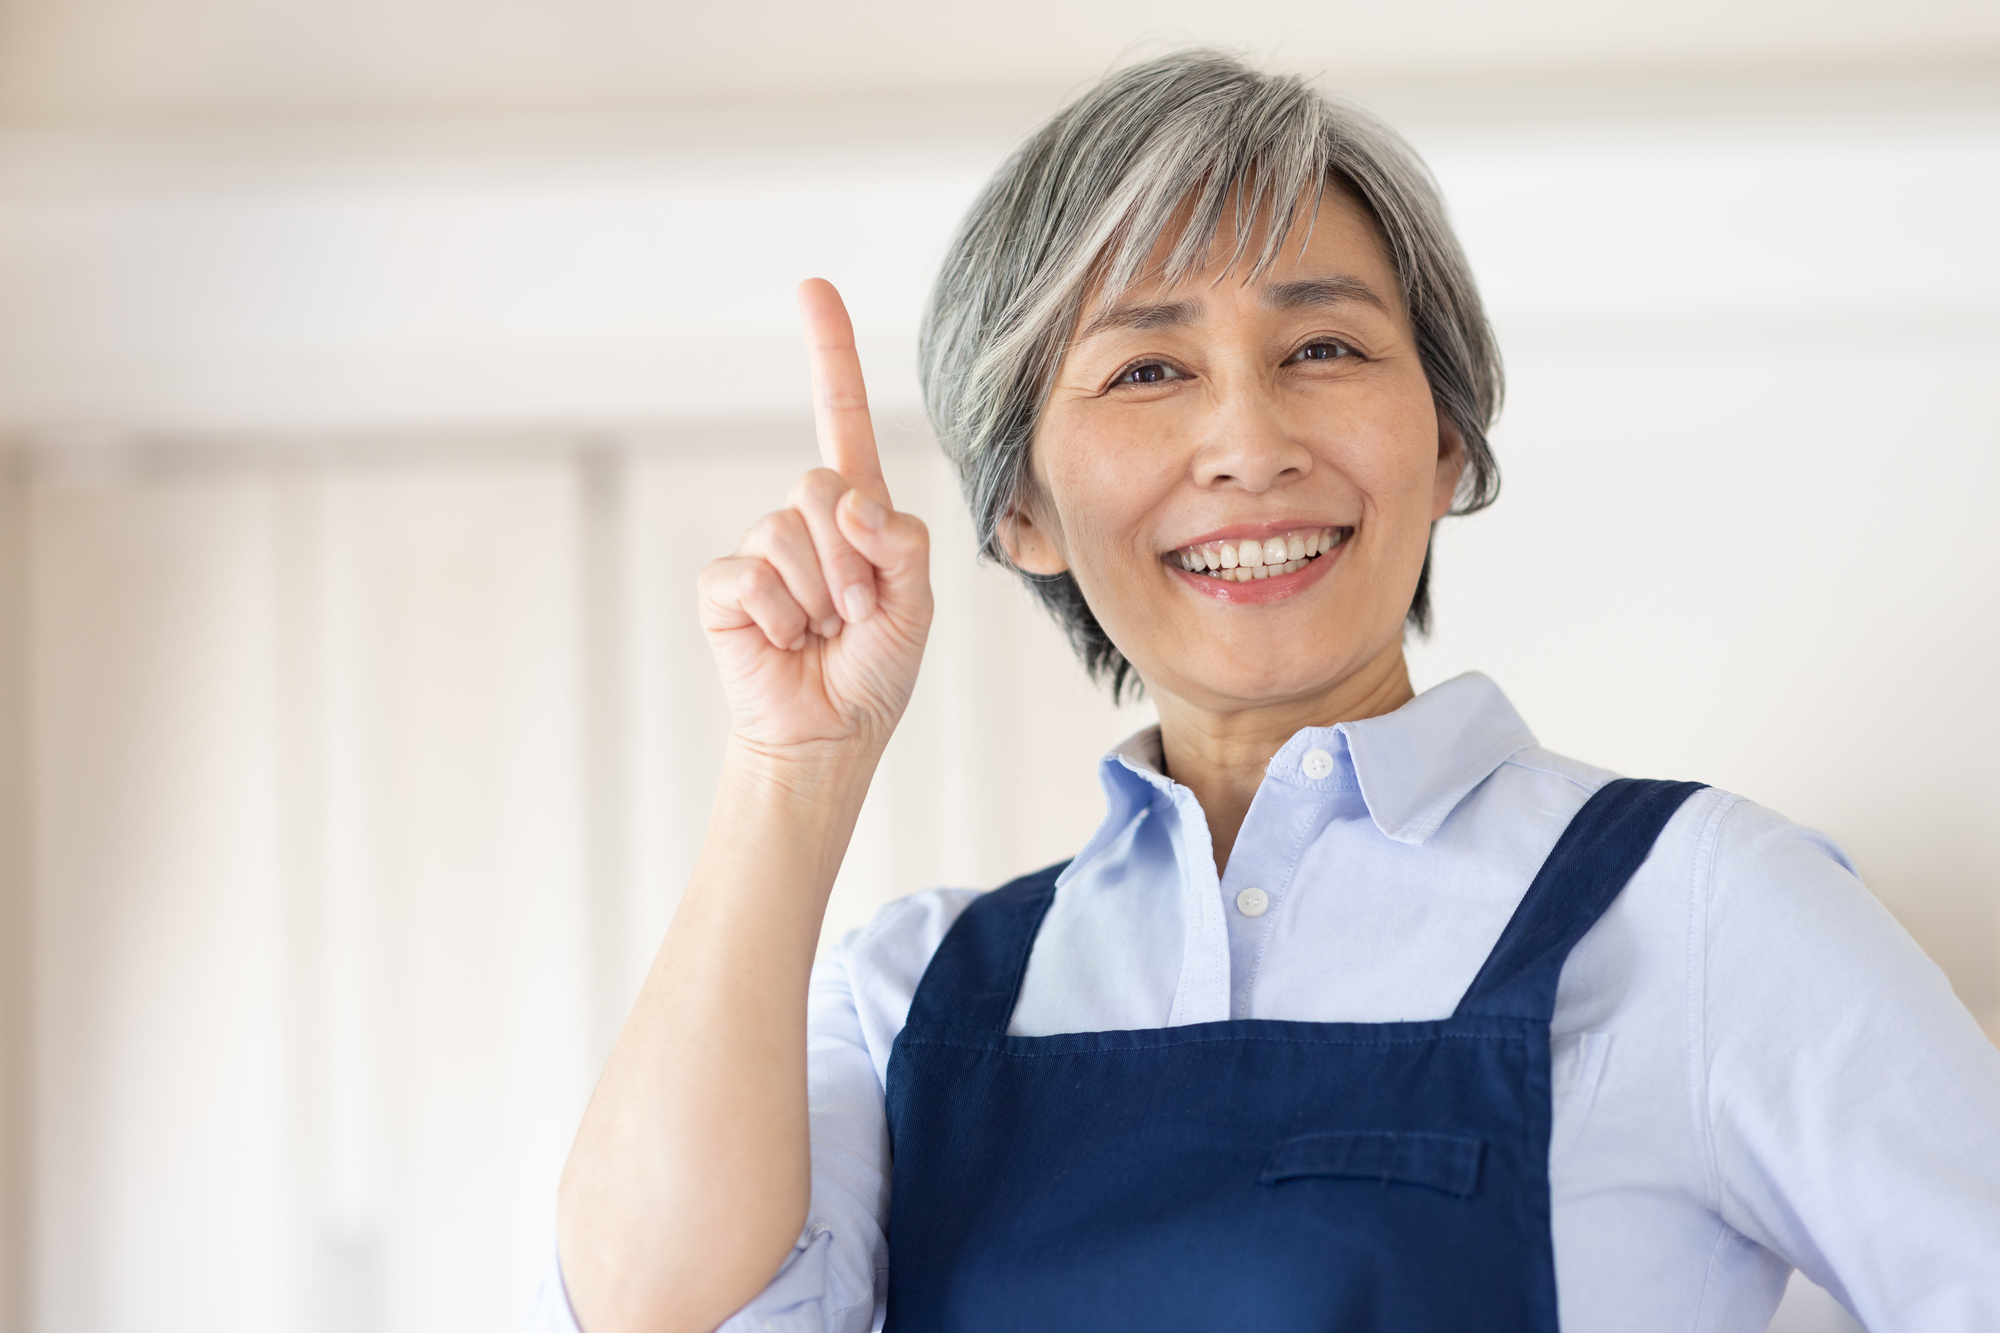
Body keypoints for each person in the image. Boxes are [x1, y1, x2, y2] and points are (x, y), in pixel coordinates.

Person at [537, 52, 2000, 1333]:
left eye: (1324, 347)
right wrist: (792, 768)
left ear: (1445, 448)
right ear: (1023, 512)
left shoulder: (1694, 910)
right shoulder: (912, 995)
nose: (1247, 439)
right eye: (1148, 369)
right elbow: (658, 1309)